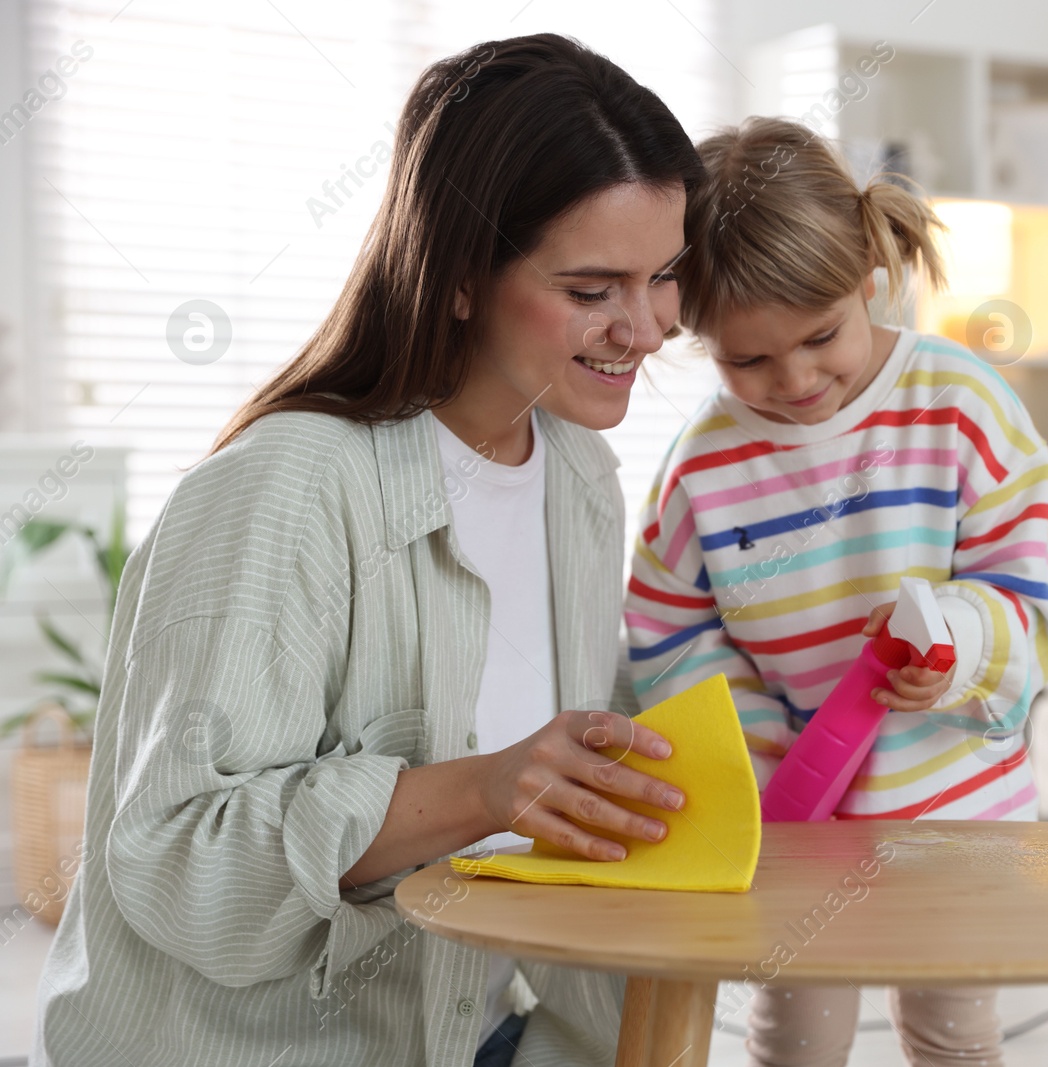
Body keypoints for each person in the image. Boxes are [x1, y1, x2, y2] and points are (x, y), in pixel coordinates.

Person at [34, 35, 702, 1067]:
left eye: (663, 276)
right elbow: (173, 857)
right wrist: (483, 788)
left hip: (464, 1025)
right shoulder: (284, 488)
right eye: (591, 287)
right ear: (460, 276)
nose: (647, 326)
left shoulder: (577, 474)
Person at [625, 116, 1048, 1067]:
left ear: (869, 266)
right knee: (793, 1044)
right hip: (793, 819)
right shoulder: (702, 464)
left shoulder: (962, 404)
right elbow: (667, 633)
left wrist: (950, 644)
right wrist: (760, 747)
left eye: (820, 336)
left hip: (955, 813)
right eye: (745, 360)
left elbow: (1028, 605)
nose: (793, 380)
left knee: (955, 1040)